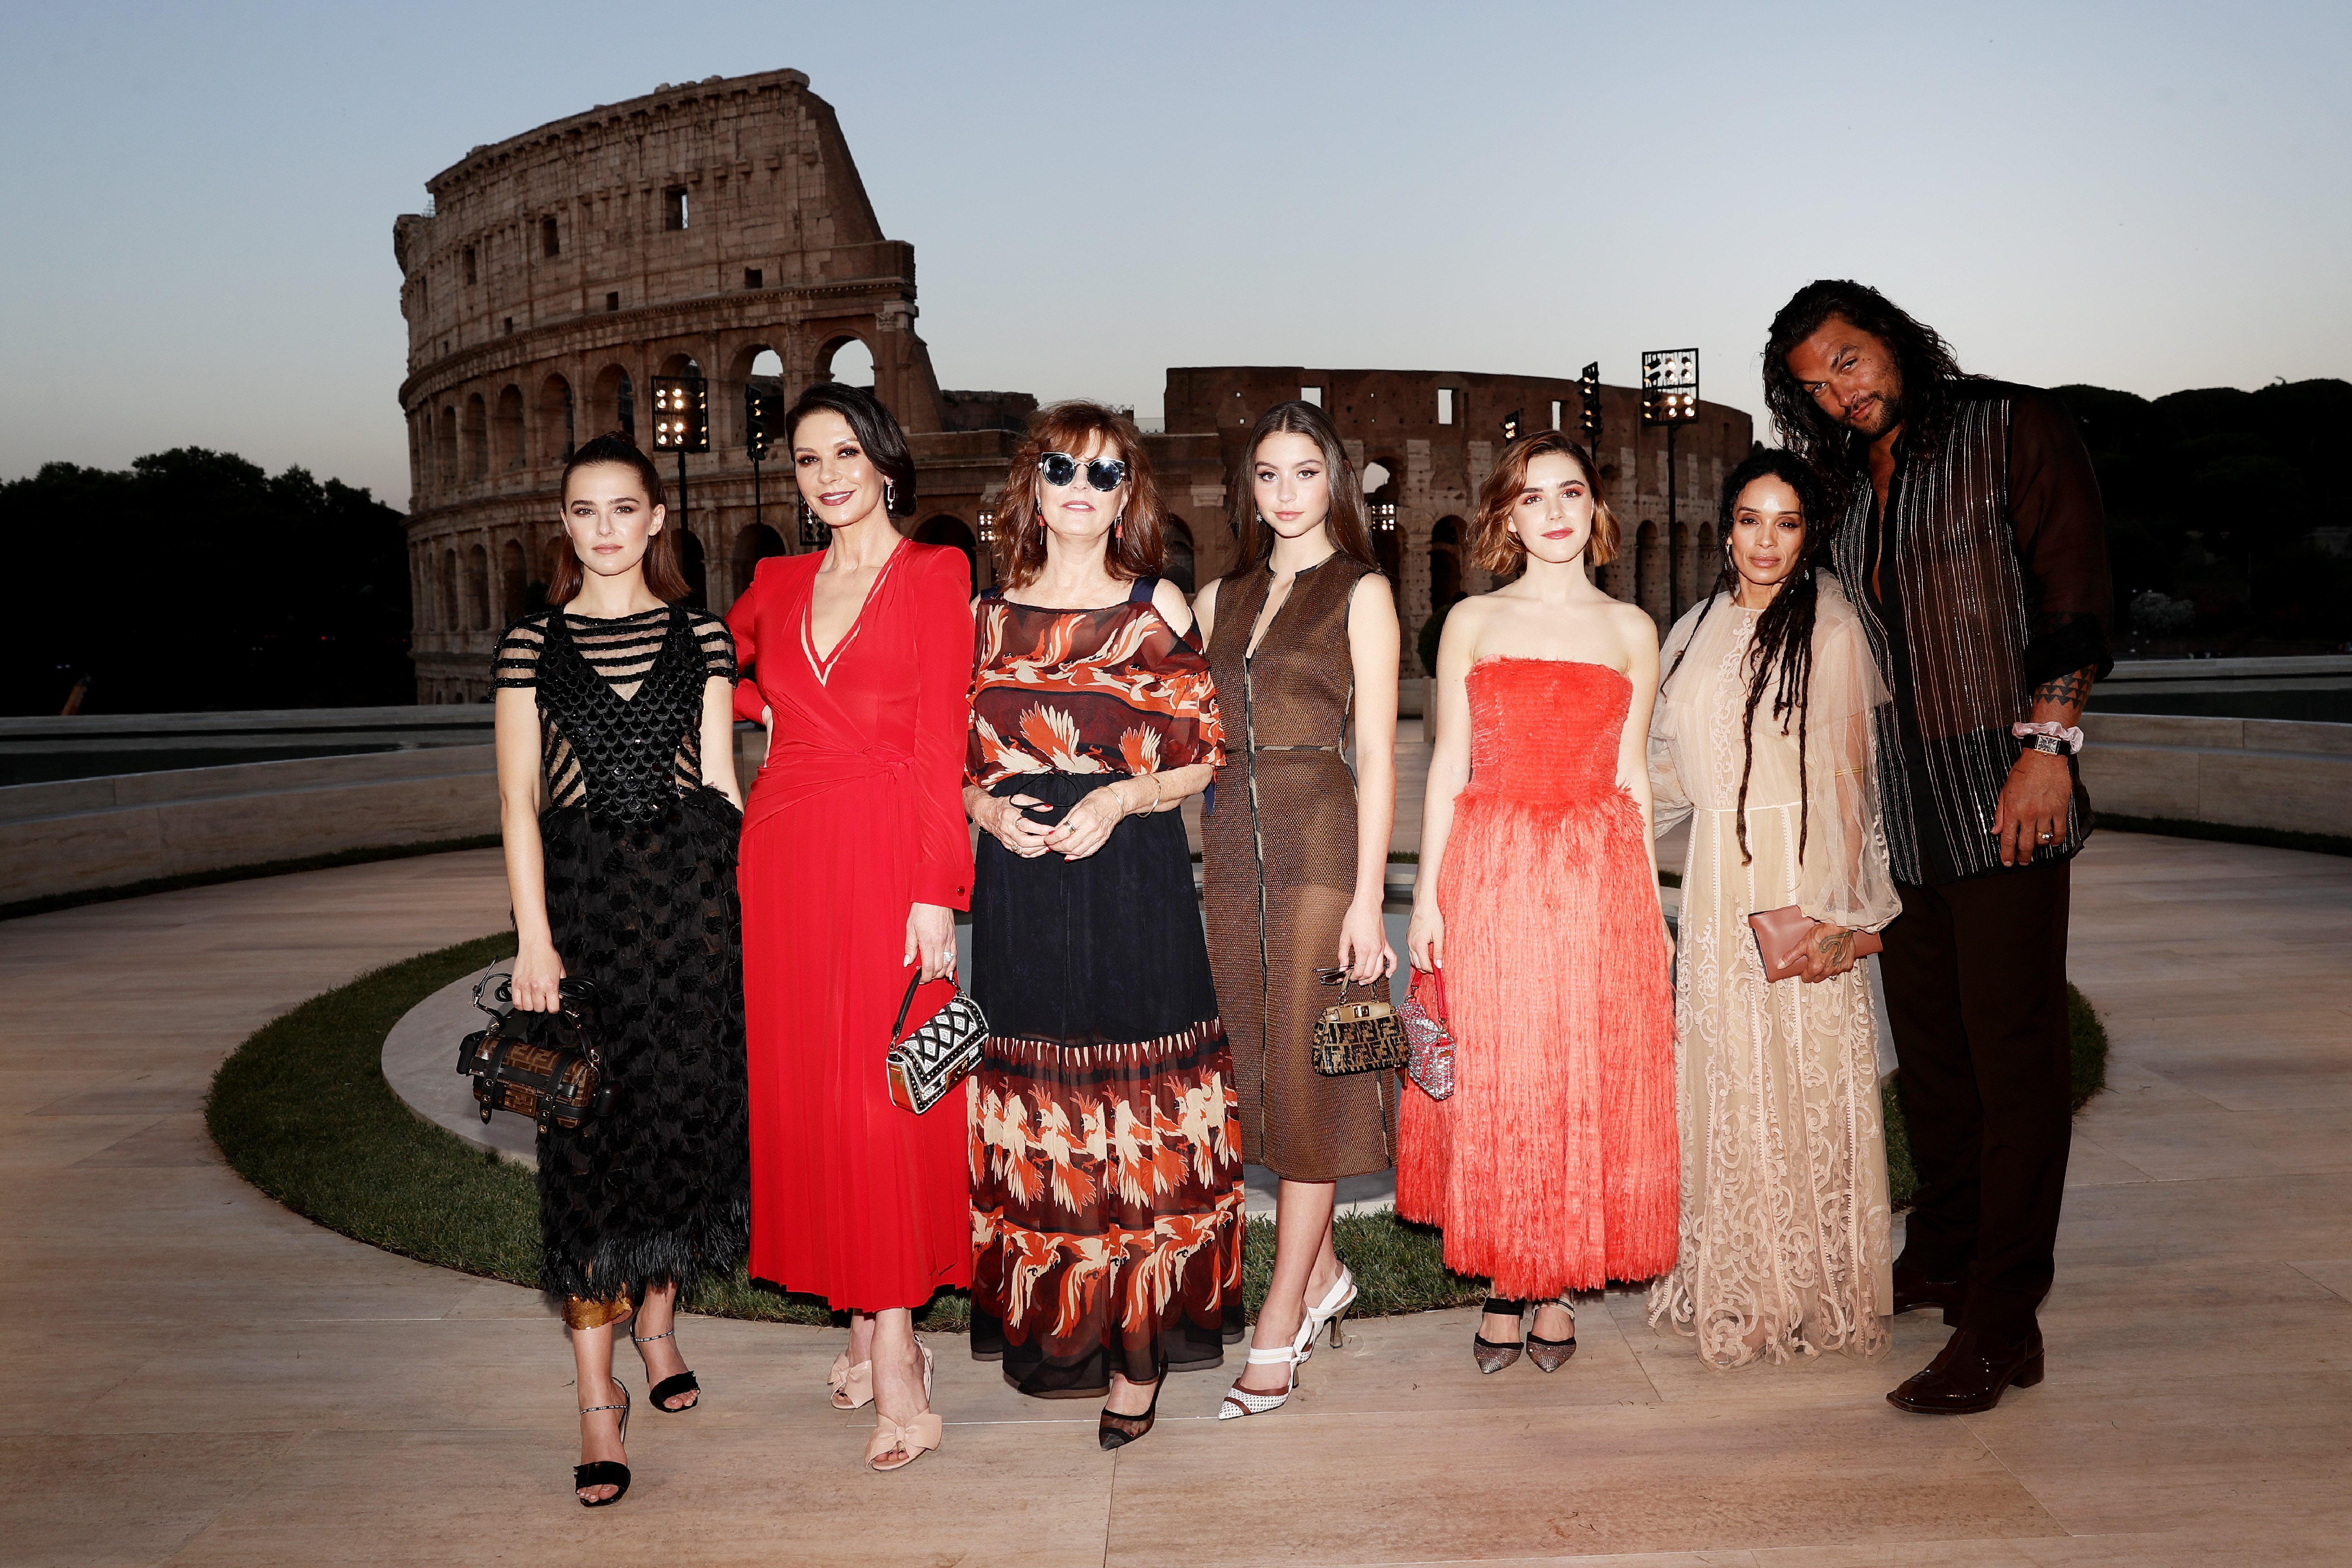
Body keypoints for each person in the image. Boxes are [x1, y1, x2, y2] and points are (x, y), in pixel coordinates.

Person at [1767, 279, 2111, 1414]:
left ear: (1897, 339)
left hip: (2002, 781)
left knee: (2016, 1062)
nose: (1841, 393)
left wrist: (2048, 744)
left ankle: (2004, 1323)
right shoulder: (1842, 486)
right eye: (1816, 384)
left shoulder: (2013, 426)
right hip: (1899, 810)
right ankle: (1950, 1252)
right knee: (1936, 1054)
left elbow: (2071, 591)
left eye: (1852, 362)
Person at [963, 400, 1242, 1449]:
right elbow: (949, 762)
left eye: (1105, 474)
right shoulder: (983, 617)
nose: (1081, 489)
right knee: (1049, 1112)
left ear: (1130, 496)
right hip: (1021, 893)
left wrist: (1120, 798)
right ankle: (1070, 1326)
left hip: (1132, 882)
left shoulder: (1154, 603)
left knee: (1138, 1109)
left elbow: (1207, 754)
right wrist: (987, 808)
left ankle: (1138, 1351)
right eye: (1063, 469)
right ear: (1030, 486)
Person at [490, 433, 750, 1506]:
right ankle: (600, 1399)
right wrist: (533, 937)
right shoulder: (530, 647)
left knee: (675, 1129)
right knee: (589, 1147)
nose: (605, 528)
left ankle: (657, 1322)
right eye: (585, 511)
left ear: (655, 521)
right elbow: (517, 804)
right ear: (568, 526)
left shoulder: (703, 635)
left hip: (691, 915)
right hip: (587, 917)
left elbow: (725, 786)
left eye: (623, 509)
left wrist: (748, 918)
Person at [727, 384, 974, 1474]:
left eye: (844, 452)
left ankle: (902, 1354)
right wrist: (753, 711)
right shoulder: (776, 582)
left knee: (881, 1099)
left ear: (883, 461)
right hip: (783, 854)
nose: (826, 474)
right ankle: (868, 1322)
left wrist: (935, 891)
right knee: (818, 1096)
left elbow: (941, 742)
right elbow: (715, 667)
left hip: (886, 858)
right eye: (806, 458)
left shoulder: (934, 573)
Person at [1397, 429, 1678, 1371]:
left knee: (1576, 1071)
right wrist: (1430, 900)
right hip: (1494, 866)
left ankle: (1552, 1281)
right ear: (1506, 517)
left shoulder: (1633, 629)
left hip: (1597, 877)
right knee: (1503, 1071)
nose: (1554, 512)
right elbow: (1446, 765)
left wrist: (1650, 906)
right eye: (1531, 497)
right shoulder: (1470, 622)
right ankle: (1504, 1279)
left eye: (1569, 492)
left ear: (1596, 506)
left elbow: (1634, 775)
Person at [1644, 449, 1900, 1369]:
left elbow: (1849, 785)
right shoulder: (1691, 629)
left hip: (1797, 877)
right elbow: (1664, 774)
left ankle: (1806, 1284)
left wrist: (1832, 908)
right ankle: (1742, 1277)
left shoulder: (1830, 629)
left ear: (1808, 534)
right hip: (1717, 882)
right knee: (1728, 1073)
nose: (1765, 540)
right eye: (1751, 519)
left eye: (1786, 522)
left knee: (1802, 1073)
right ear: (1726, 529)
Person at [1194, 400, 1399, 1417]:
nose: (1284, 493)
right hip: (1229, 844)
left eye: (1304, 472)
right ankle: (1322, 1274)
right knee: (1248, 1067)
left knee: (1314, 1069)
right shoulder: (1215, 595)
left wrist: (1372, 898)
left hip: (1322, 835)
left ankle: (1281, 1317)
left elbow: (1384, 752)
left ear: (1338, 481)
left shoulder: (1361, 590)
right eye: (1267, 475)